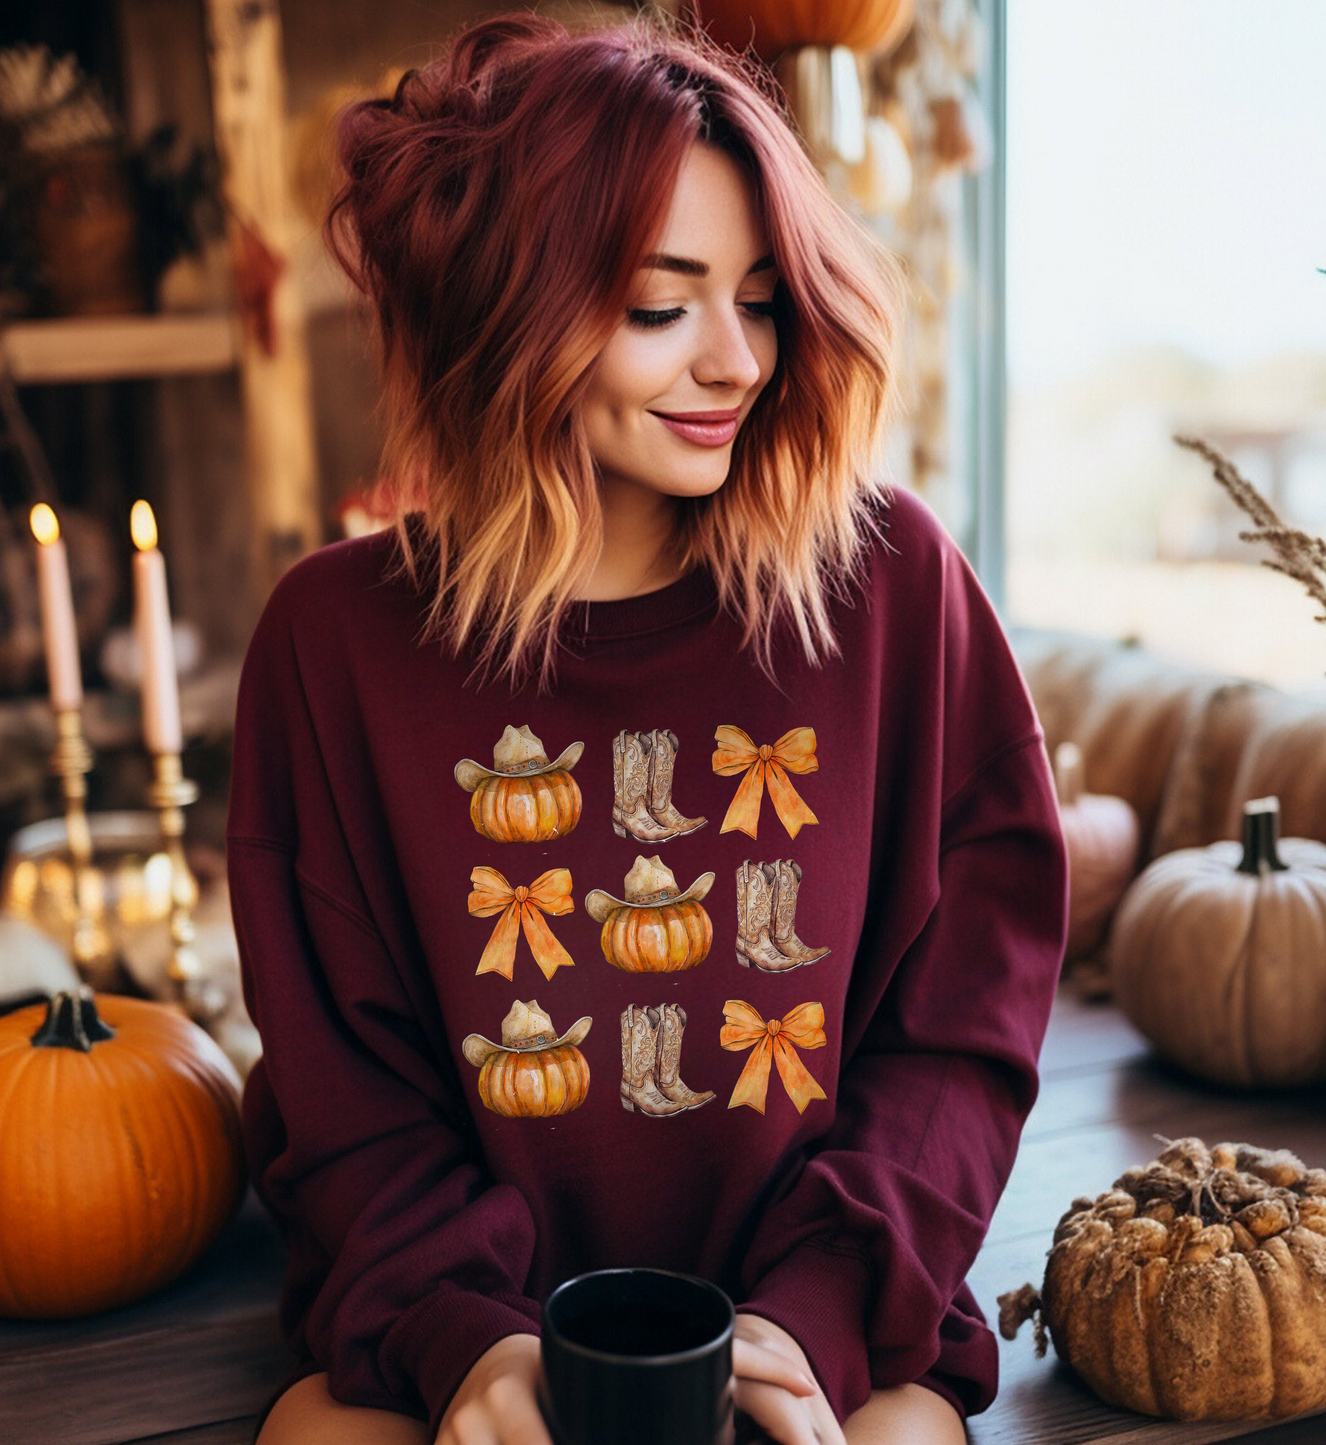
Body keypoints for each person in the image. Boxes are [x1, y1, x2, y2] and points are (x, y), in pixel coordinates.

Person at [228, 11, 1067, 1445]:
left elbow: (959, 1031)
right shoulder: (332, 645)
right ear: (510, 309)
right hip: (480, 1345)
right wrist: (467, 1341)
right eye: (660, 305)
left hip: (829, 1335)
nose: (737, 361)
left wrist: (816, 1307)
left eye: (761, 296)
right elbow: (341, 1093)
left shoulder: (889, 587)